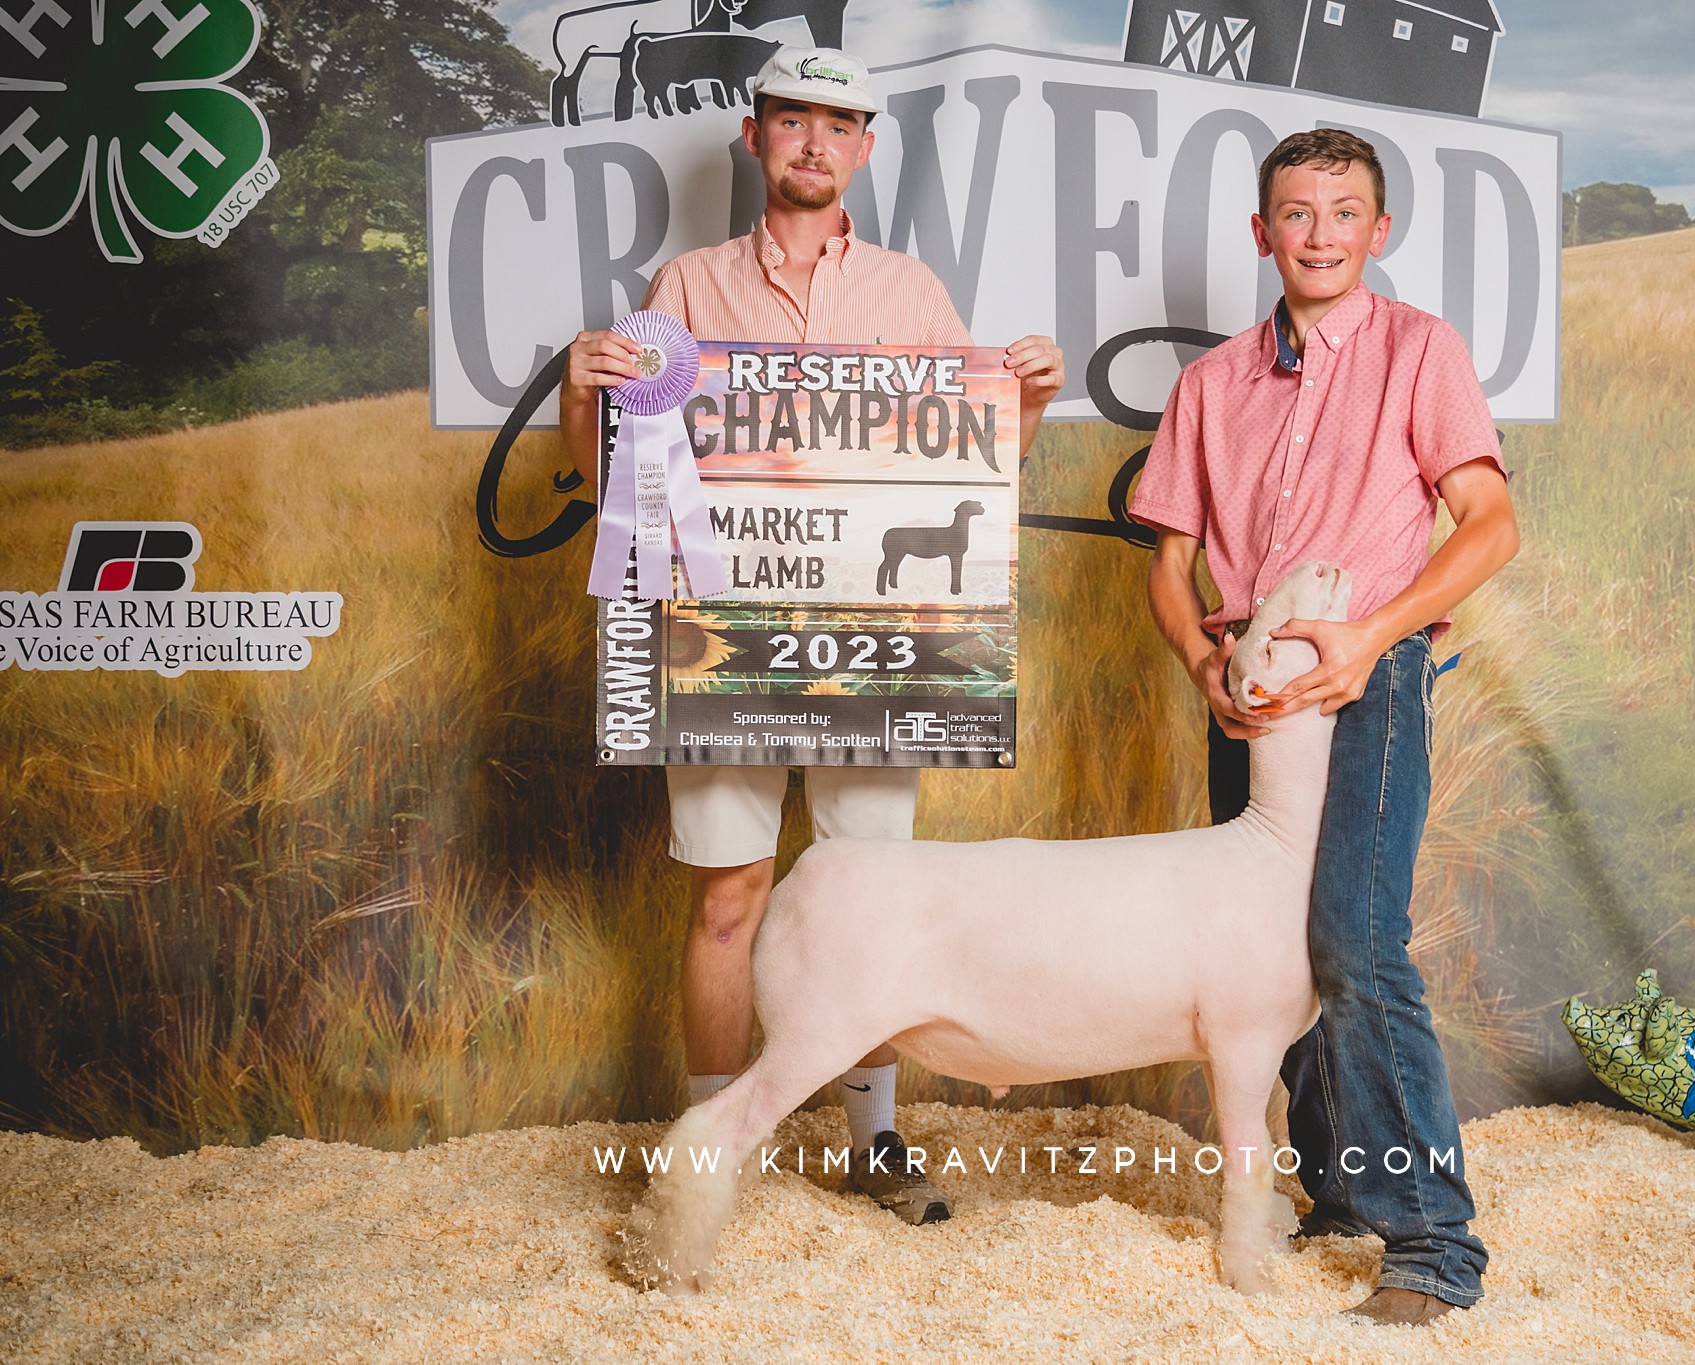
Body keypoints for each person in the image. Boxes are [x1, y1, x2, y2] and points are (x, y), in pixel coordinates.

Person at [560, 45, 1064, 1226]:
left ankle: (873, 1142)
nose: (814, 144)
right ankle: (711, 1146)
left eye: (838, 125)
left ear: (866, 147)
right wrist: (588, 394)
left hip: (870, 638)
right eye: (793, 122)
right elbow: (617, 488)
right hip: (721, 635)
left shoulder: (910, 290)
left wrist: (1025, 397)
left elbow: (973, 471)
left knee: (871, 894)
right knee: (728, 894)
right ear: (754, 137)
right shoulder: (683, 285)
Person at [1130, 127, 1518, 1325]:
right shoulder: (1211, 385)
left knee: (1353, 938)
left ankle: (1432, 1245)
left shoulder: (1418, 352)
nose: (1318, 234)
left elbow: (1488, 523)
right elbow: (1171, 559)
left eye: (1341, 213)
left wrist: (1371, 634)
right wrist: (1200, 650)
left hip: (1367, 674)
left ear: (1376, 232)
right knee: (1271, 958)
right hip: (1247, 686)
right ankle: (1337, 1200)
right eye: (1294, 214)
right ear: (1262, 233)